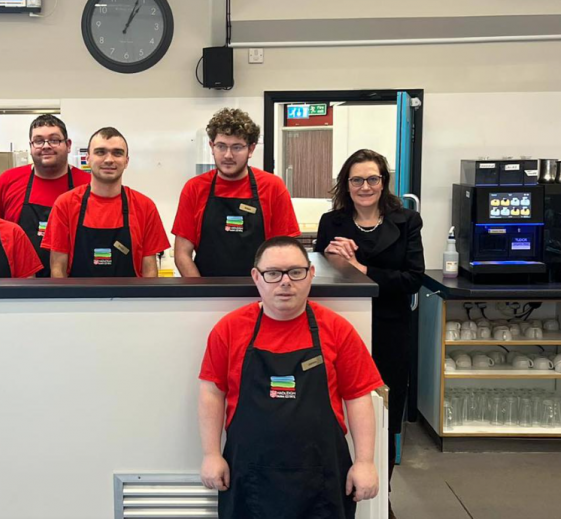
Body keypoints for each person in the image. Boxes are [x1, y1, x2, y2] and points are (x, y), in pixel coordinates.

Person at [198, 236, 383, 519]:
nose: (285, 282)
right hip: (248, 477)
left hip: (323, 480)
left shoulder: (337, 329)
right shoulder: (229, 330)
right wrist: (211, 454)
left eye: (295, 272)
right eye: (273, 273)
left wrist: (365, 462)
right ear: (256, 277)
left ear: (311, 274)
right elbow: (211, 393)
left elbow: (358, 397)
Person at [314, 149, 425, 515]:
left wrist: (362, 269)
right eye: (357, 180)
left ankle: (381, 497)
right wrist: (332, 258)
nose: (365, 187)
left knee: (385, 413)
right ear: (346, 184)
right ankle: (336, 488)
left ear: (383, 182)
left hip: (391, 330)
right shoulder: (332, 222)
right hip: (343, 330)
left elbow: (413, 278)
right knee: (337, 410)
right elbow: (317, 275)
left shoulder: (406, 221)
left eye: (372, 179)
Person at [172, 108, 300, 277]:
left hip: (260, 288)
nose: (228, 155)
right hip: (206, 288)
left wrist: (269, 288)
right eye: (221, 146)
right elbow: (182, 254)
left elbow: (286, 251)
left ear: (251, 149)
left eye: (237, 147)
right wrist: (201, 290)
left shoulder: (273, 187)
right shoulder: (194, 188)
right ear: (211, 147)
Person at [42, 127, 170, 277]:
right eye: (100, 152)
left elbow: (150, 271)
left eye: (117, 153)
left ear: (126, 161)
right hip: (78, 293)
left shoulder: (145, 206)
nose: (109, 160)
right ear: (88, 158)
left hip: (132, 292)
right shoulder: (65, 204)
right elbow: (58, 269)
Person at [0, 115, 91, 277]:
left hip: (74, 284)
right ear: (31, 146)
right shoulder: (8, 181)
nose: (46, 146)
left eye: (54, 140)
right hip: (18, 285)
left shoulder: (88, 184)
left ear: (68, 145)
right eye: (38, 141)